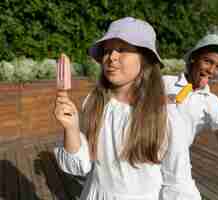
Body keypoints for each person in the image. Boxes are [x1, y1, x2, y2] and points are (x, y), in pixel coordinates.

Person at [53, 17, 200, 200]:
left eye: (122, 49)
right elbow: (81, 166)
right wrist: (71, 129)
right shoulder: (94, 103)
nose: (111, 57)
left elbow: (178, 182)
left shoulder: (166, 116)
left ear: (145, 59)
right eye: (107, 50)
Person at [163, 34, 218, 150]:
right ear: (194, 58)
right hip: (148, 164)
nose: (211, 70)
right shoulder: (165, 83)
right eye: (207, 61)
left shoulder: (211, 101)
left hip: (180, 166)